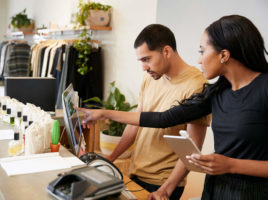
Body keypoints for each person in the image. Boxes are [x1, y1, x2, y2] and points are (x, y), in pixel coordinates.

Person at [77, 15, 268, 200]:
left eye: (202, 51)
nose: (199, 59)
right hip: (216, 190)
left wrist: (231, 165)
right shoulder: (218, 92)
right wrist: (103, 114)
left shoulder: (264, 88)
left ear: (224, 55)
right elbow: (163, 118)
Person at [85, 24, 211, 200]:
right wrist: (110, 158)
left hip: (162, 183)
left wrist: (166, 189)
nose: (144, 67)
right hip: (136, 173)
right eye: (141, 61)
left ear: (166, 51)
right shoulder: (151, 77)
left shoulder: (196, 85)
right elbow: (135, 124)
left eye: (147, 59)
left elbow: (191, 150)